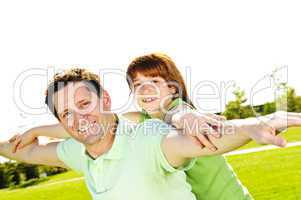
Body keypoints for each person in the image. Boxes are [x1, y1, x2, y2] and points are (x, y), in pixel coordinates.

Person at [1, 68, 300, 200]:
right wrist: (34, 130)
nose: (78, 118)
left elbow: (197, 140)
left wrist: (249, 126)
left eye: (84, 104)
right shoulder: (75, 152)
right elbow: (21, 150)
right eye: (66, 113)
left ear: (105, 99)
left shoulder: (147, 136)